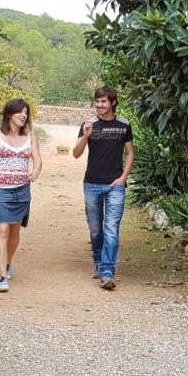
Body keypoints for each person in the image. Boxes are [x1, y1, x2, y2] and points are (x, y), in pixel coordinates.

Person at [0, 98, 41, 292]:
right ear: (8, 115)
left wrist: (36, 170)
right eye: (20, 112)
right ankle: (2, 278)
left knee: (14, 232)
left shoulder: (31, 137)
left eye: (26, 112)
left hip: (22, 191)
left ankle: (7, 263)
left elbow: (37, 160)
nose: (24, 115)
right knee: (2, 231)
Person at [73, 85, 134, 290]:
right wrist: (86, 135)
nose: (99, 105)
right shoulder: (88, 124)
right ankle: (98, 261)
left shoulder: (124, 125)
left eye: (103, 101)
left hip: (115, 185)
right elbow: (76, 153)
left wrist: (123, 177)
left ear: (113, 102)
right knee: (96, 228)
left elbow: (130, 153)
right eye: (97, 101)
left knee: (111, 229)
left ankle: (108, 271)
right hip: (91, 183)